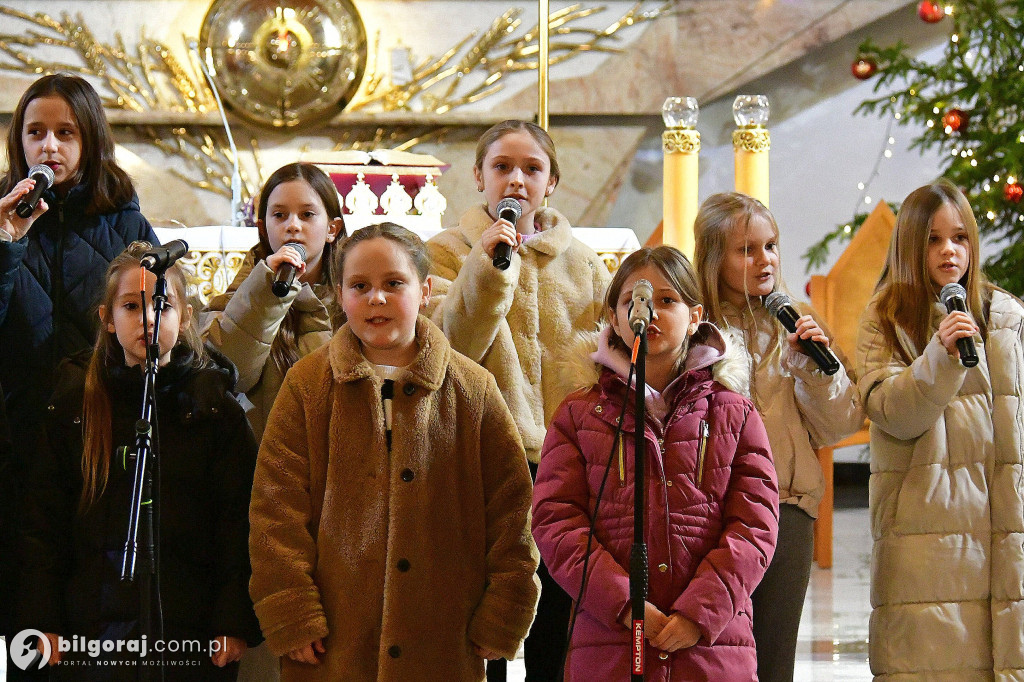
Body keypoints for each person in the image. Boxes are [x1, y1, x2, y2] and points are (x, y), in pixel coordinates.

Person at [249, 222, 540, 681]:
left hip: (444, 633)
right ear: (339, 294)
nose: (376, 298)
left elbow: (512, 510)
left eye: (394, 284)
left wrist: (504, 609)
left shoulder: (473, 389)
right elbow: (275, 509)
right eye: (359, 286)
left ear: (425, 290)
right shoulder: (307, 385)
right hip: (334, 640)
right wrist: (292, 610)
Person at [532, 245, 779, 680]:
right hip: (611, 641)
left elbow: (755, 525)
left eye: (668, 300)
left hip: (713, 646)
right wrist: (624, 602)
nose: (652, 312)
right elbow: (557, 521)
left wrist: (698, 614)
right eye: (635, 301)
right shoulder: (579, 414)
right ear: (614, 318)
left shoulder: (734, 412)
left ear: (696, 314)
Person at [19, 241, 261, 680]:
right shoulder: (77, 405)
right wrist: (44, 618)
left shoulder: (213, 410)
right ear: (107, 320)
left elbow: (237, 521)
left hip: (188, 627)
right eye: (132, 306)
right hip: (91, 626)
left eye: (162, 306)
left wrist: (232, 619)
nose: (148, 318)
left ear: (185, 317)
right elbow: (43, 522)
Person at [427, 119, 611, 680]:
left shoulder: (583, 264)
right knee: (486, 617)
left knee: (558, 615)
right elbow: (445, 348)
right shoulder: (444, 254)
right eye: (502, 167)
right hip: (477, 455)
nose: (516, 181)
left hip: (564, 461)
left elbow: (606, 364)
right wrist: (485, 265)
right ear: (478, 177)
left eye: (532, 169)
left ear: (551, 182)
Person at [0, 72, 159, 652]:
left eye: (66, 133)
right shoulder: (3, 216)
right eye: (36, 132)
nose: (50, 147)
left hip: (97, 436)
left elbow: (148, 327)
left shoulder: (125, 223)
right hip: (17, 439)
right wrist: (6, 244)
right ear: (18, 141)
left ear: (90, 140)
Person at [856, 178, 1024, 679]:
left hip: (1002, 530)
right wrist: (941, 358)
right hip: (929, 538)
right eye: (933, 239)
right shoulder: (887, 317)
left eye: (960, 237)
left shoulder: (1006, 318)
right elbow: (893, 412)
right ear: (910, 243)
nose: (949, 250)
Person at [693, 192, 863, 682]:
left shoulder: (798, 323)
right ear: (712, 258)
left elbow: (839, 424)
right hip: (710, 511)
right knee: (713, 654)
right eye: (746, 250)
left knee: (774, 659)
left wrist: (814, 371)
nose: (765, 260)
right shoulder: (697, 329)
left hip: (786, 505)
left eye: (771, 246)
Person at [203, 162, 346, 441]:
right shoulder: (240, 298)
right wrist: (267, 289)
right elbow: (233, 371)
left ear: (332, 228)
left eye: (307, 215)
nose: (293, 226)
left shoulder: (355, 294)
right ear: (263, 228)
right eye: (279, 215)